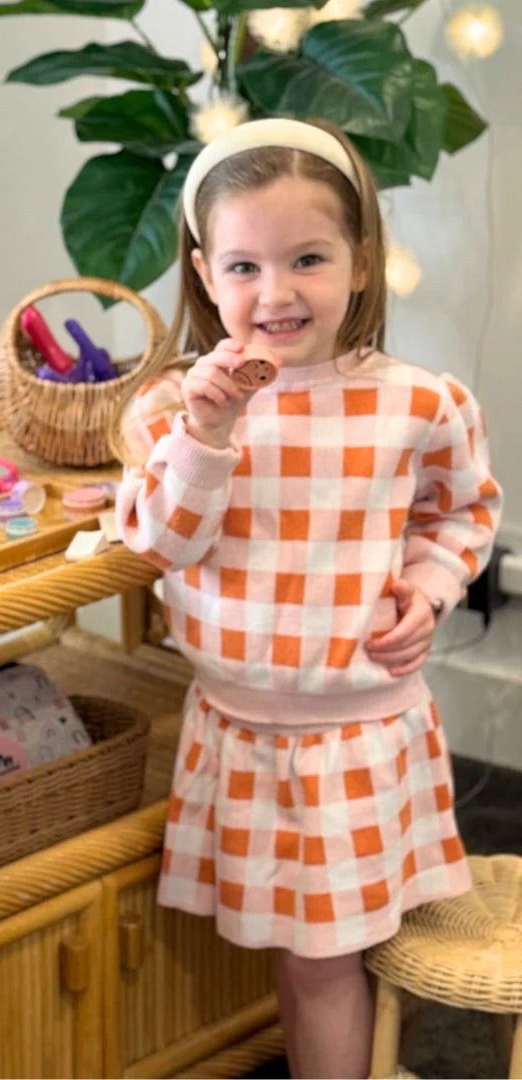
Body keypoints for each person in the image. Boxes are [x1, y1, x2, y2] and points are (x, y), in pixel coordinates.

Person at [111, 119, 501, 1079]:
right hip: (240, 731)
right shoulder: (171, 409)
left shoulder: (419, 402)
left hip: (356, 733)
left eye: (308, 260)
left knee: (320, 962)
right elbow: (159, 542)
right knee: (302, 957)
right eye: (244, 266)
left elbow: (462, 511)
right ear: (205, 274)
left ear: (362, 263)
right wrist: (208, 434)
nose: (276, 293)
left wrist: (429, 588)